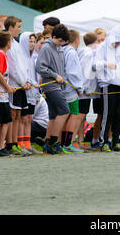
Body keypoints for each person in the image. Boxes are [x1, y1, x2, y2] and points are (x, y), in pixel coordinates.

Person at [36, 23, 71, 154]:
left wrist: (63, 78)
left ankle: (47, 141)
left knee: (53, 115)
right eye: (60, 41)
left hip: (59, 86)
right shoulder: (46, 48)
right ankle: (53, 142)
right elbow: (40, 67)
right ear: (54, 36)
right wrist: (55, 75)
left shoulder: (59, 48)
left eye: (63, 42)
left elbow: (62, 68)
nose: (61, 43)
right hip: (51, 86)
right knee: (64, 111)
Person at [94, 25, 120, 152]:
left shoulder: (119, 49)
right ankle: (104, 142)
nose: (118, 44)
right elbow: (95, 65)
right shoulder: (101, 48)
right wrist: (106, 64)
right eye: (117, 41)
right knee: (107, 114)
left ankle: (116, 141)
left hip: (119, 83)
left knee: (118, 114)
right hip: (107, 85)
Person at [5, 16, 33, 156]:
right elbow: (12, 68)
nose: (20, 30)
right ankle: (10, 143)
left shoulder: (16, 43)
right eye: (18, 27)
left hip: (21, 85)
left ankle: (15, 142)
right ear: (10, 27)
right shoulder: (7, 44)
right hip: (14, 85)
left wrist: (27, 81)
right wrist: (23, 82)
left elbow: (23, 66)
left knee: (18, 114)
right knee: (12, 114)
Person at [60, 29, 85, 153]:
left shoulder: (62, 50)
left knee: (66, 116)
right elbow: (73, 73)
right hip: (70, 90)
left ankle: (63, 143)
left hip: (63, 88)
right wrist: (79, 87)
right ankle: (67, 143)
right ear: (77, 40)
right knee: (73, 115)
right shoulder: (71, 52)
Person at [18, 32, 42, 155]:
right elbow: (23, 74)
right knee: (23, 118)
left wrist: (37, 93)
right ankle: (20, 143)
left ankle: (27, 144)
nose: (32, 44)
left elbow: (34, 75)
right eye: (30, 41)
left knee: (29, 118)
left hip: (33, 92)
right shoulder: (21, 56)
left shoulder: (32, 57)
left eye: (33, 41)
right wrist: (31, 83)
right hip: (24, 91)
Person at [77, 32, 100, 150]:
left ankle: (80, 140)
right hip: (84, 89)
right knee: (80, 116)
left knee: (82, 115)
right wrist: (86, 88)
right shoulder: (89, 53)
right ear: (95, 41)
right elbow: (85, 72)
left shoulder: (82, 51)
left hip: (82, 88)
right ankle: (74, 141)